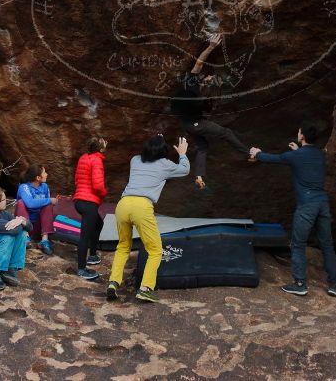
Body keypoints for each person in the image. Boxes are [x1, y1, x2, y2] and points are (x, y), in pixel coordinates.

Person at [250, 121, 336, 297]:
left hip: (307, 204)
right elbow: (308, 161)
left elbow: (273, 158)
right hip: (323, 203)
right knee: (328, 245)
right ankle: (334, 285)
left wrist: (257, 153)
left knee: (298, 244)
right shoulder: (321, 155)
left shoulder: (296, 156)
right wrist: (297, 152)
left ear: (302, 136)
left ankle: (300, 284)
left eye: (299, 132)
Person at [107, 135, 190, 303]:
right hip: (142, 207)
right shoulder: (165, 165)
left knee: (123, 246)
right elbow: (185, 169)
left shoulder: (135, 160)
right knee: (155, 250)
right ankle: (145, 288)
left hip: (123, 205)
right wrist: (182, 153)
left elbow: (150, 152)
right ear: (163, 151)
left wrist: (156, 140)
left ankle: (113, 282)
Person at [171, 32, 252, 190]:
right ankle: (249, 153)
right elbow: (199, 64)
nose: (207, 77)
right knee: (226, 132)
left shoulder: (189, 86)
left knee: (203, 147)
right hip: (195, 123)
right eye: (207, 79)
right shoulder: (194, 91)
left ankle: (199, 176)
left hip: (187, 123)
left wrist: (208, 83)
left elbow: (199, 66)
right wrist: (211, 46)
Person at [72, 136, 108, 280]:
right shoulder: (97, 160)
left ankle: (92, 255)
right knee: (84, 236)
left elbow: (76, 179)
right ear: (100, 148)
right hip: (89, 203)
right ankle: (81, 269)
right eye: (103, 143)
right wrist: (104, 193)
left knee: (99, 224)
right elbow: (98, 185)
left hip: (79, 201)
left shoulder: (83, 158)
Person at [16, 164, 57, 255]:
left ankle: (44, 241)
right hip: (27, 226)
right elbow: (29, 203)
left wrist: (48, 201)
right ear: (38, 177)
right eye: (44, 172)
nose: (46, 174)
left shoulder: (45, 186)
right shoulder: (24, 187)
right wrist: (49, 200)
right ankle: (25, 237)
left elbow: (46, 206)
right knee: (21, 203)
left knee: (48, 205)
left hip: (38, 228)